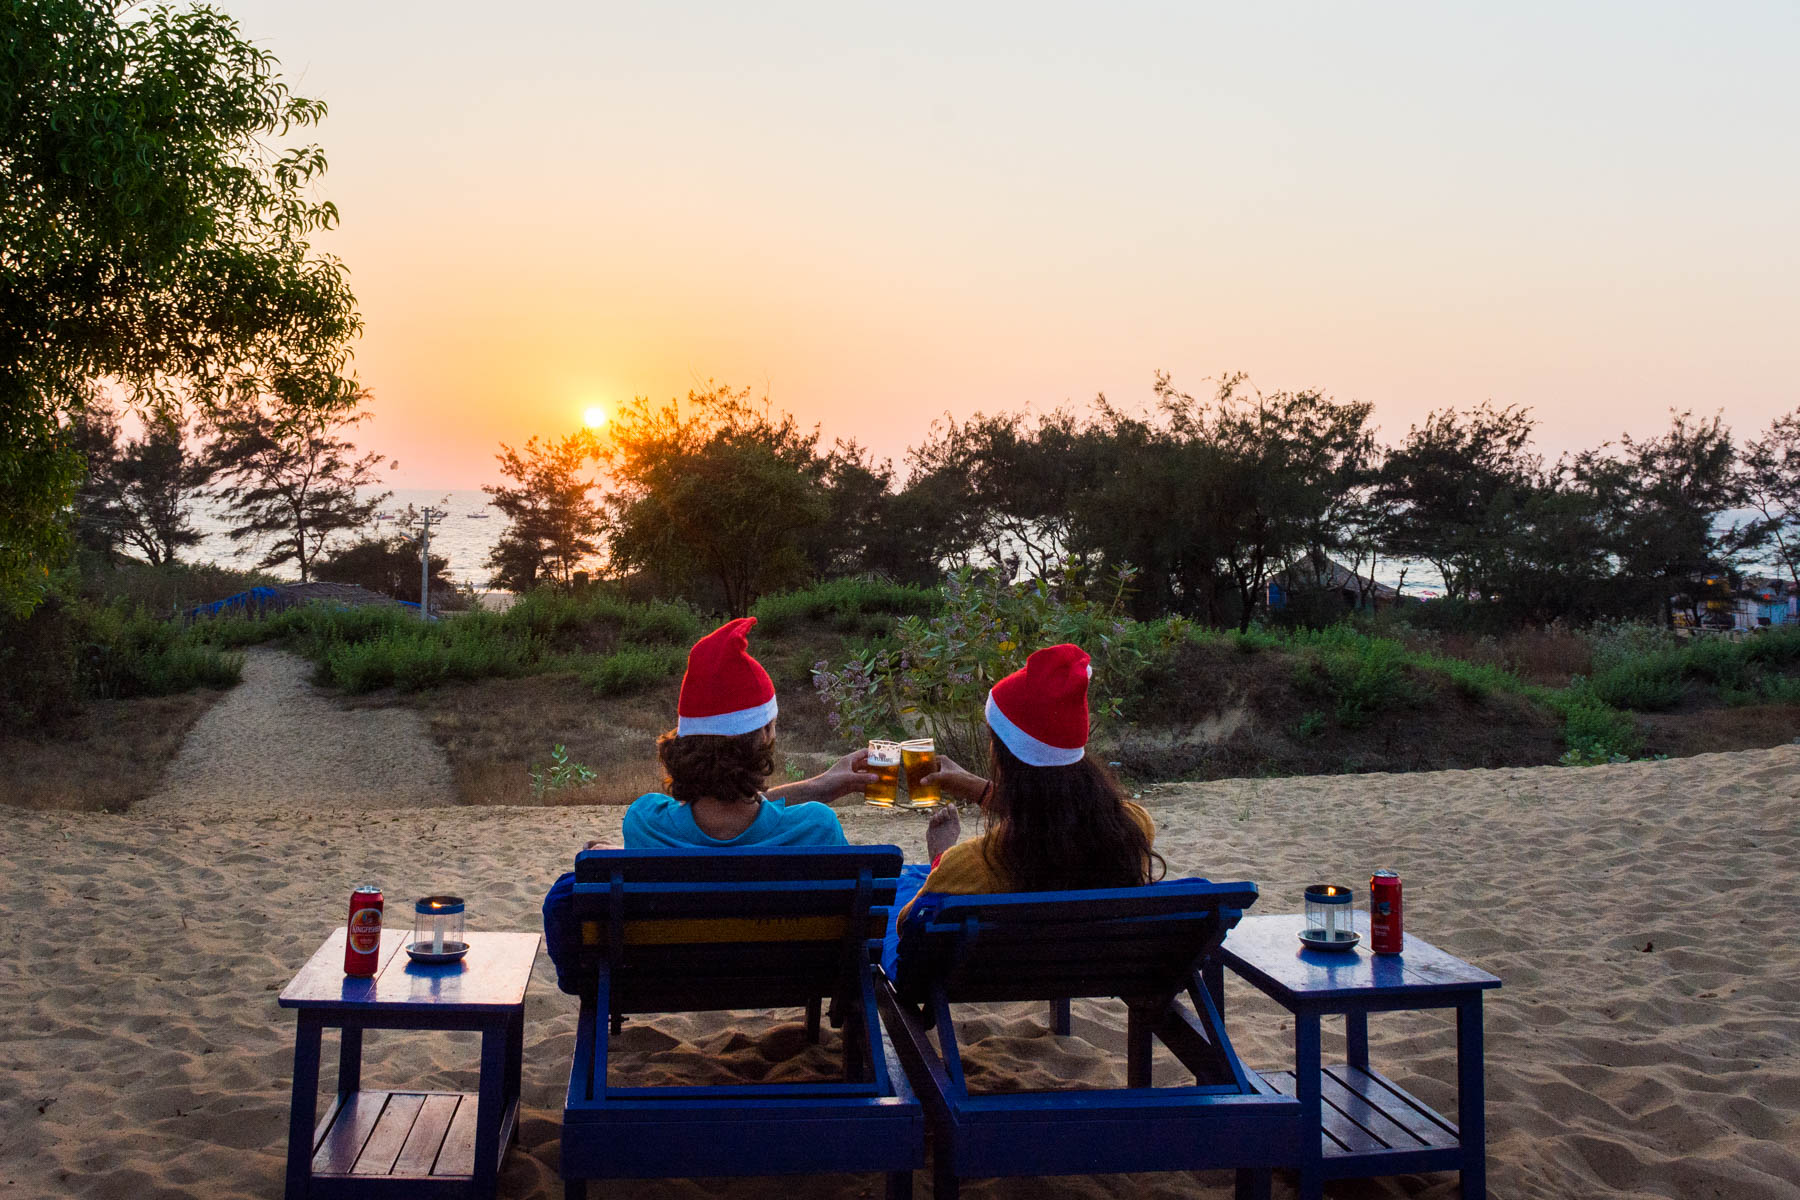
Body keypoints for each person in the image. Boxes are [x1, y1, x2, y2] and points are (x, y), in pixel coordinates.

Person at [887, 643, 1164, 966]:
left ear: (1004, 758)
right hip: (1082, 963)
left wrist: (940, 856)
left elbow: (909, 929)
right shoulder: (1133, 827)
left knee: (902, 887)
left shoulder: (971, 864)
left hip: (979, 972)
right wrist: (976, 789)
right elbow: (1056, 816)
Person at [614, 616, 875, 848]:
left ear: (685, 739)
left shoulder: (645, 824)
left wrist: (821, 786)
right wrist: (819, 789)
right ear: (763, 734)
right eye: (772, 724)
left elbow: (725, 812)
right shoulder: (816, 828)